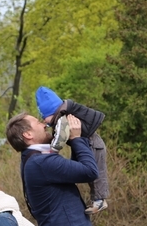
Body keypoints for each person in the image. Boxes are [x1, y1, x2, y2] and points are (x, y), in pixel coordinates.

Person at [35, 86, 109, 214]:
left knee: (97, 174)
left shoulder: (62, 119)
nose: (43, 121)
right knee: (79, 171)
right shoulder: (65, 113)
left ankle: (99, 200)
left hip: (92, 144)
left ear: (51, 112)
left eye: (44, 117)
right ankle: (97, 200)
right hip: (84, 144)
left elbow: (60, 137)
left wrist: (52, 151)